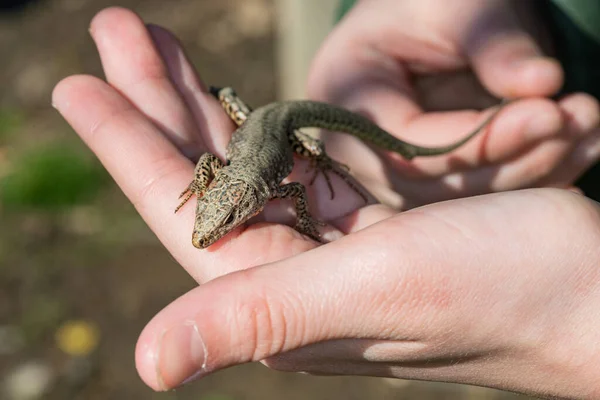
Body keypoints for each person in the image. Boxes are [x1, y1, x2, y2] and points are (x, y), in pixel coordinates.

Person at [52, 1, 600, 398]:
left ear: (243, 208)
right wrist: (202, 187)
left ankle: (328, 153)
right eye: (215, 218)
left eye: (219, 222)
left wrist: (314, 193)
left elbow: (291, 188)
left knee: (313, 151)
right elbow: (205, 166)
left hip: (279, 124)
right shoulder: (223, 184)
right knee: (249, 119)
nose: (210, 232)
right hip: (258, 130)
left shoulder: (270, 189)